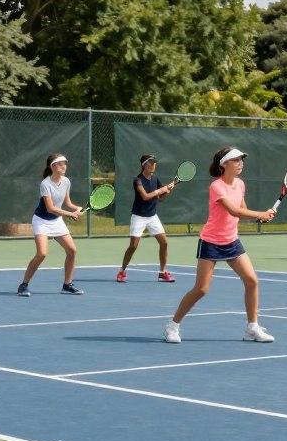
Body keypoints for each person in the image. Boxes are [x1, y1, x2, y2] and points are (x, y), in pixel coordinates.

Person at [162, 147, 277, 344]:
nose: (240, 163)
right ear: (224, 164)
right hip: (211, 242)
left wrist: (259, 219)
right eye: (235, 160)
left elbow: (242, 210)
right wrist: (260, 214)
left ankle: (252, 328)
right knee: (201, 289)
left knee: (252, 281)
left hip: (231, 241)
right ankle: (172, 326)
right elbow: (234, 211)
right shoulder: (217, 187)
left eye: (242, 160)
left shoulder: (240, 184)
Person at [17, 153, 84, 297]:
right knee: (42, 254)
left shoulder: (66, 181)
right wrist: (70, 214)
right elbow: (51, 208)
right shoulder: (45, 184)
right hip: (41, 221)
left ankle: (67, 285)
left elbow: (67, 203)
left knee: (72, 251)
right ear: (51, 166)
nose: (63, 166)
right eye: (59, 164)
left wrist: (76, 208)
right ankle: (23, 285)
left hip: (56, 221)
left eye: (64, 163)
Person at [116, 154, 177, 283]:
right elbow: (145, 196)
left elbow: (160, 200)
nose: (154, 164)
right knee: (133, 246)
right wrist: (161, 190)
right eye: (151, 162)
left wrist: (167, 192)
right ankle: (122, 271)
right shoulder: (138, 180)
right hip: (138, 217)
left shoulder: (155, 179)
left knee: (164, 243)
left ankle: (162, 273)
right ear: (144, 165)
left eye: (155, 162)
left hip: (152, 216)